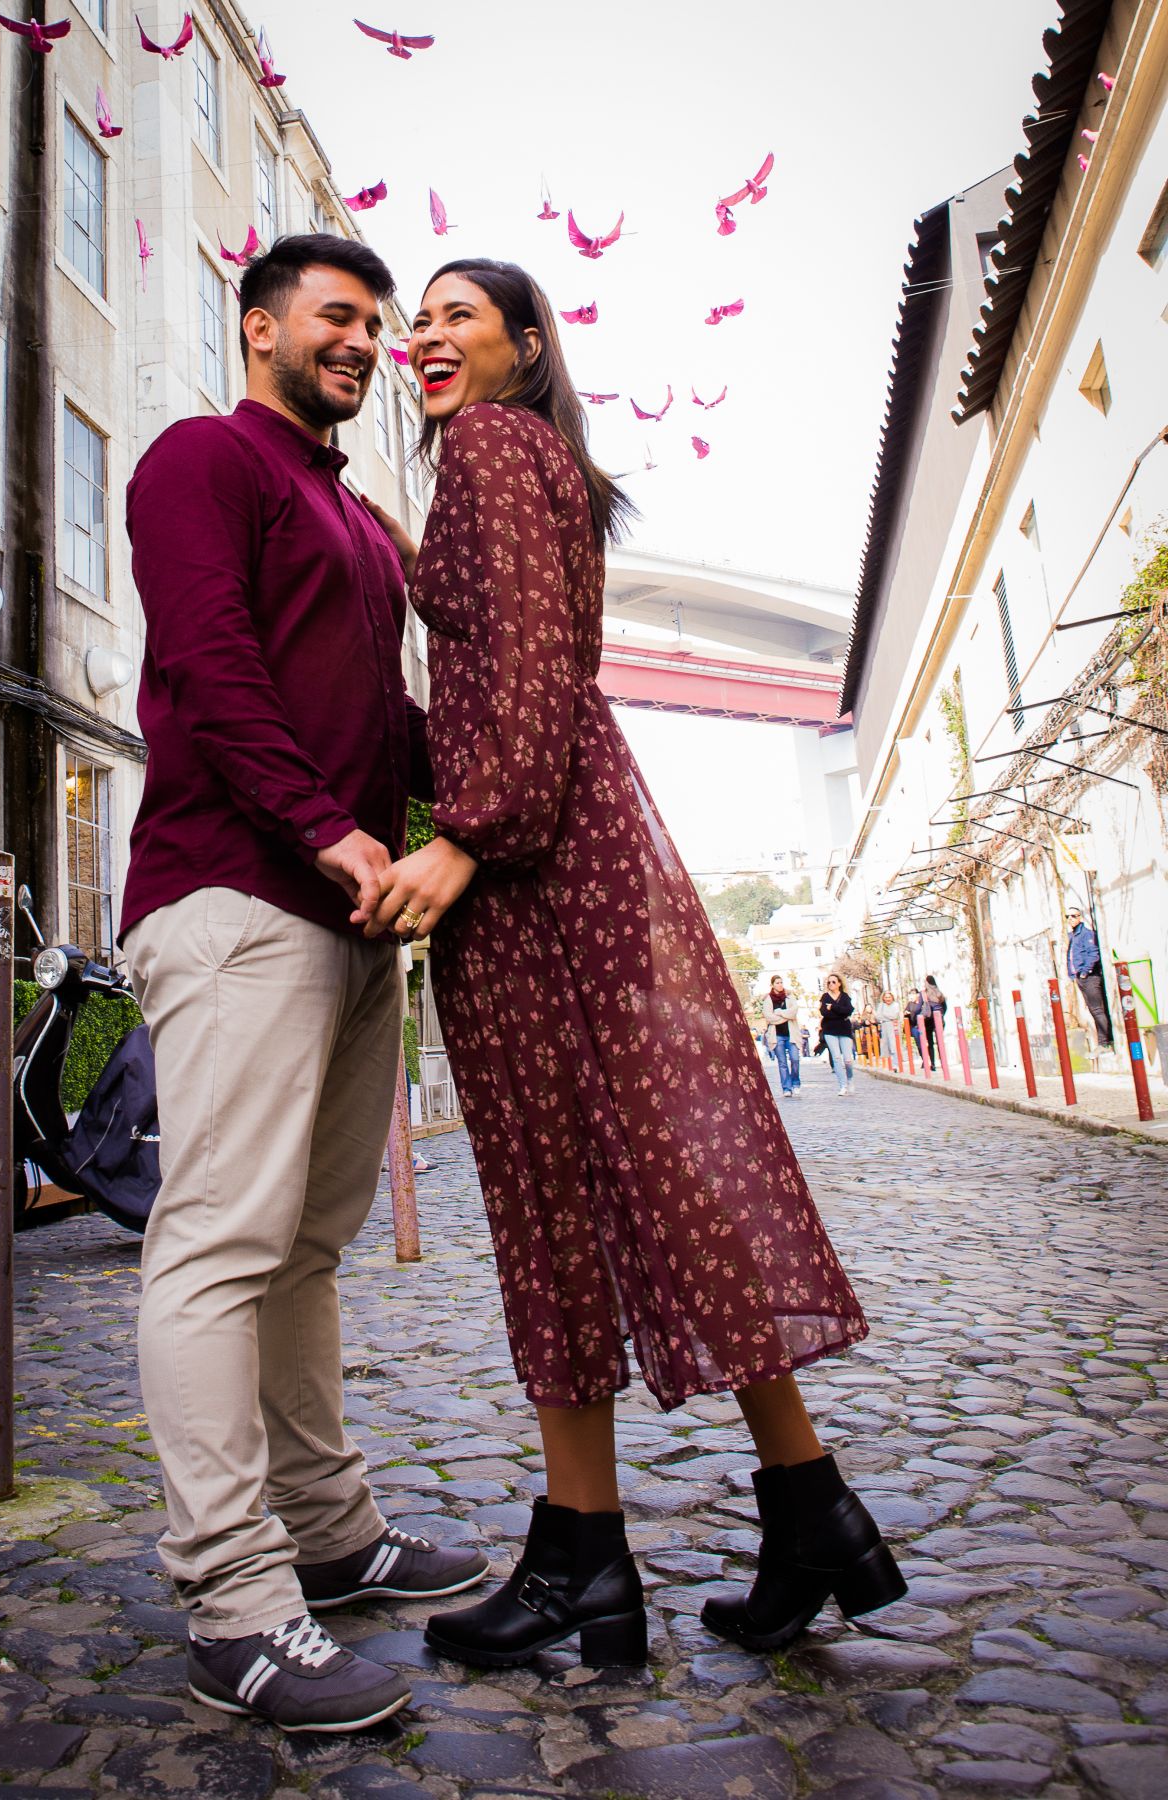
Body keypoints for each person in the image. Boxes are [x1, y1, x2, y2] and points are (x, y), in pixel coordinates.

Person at [361, 259, 905, 1670]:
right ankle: (808, 1507)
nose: (425, 337)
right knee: (656, 1171)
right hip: (575, 844)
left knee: (551, 1191)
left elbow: (532, 668)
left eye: (455, 317)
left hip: (535, 868)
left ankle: (584, 1560)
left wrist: (465, 843)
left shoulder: (486, 446)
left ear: (526, 344)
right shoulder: (538, 461)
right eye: (416, 321)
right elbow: (525, 672)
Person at [120, 236, 488, 1736]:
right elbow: (213, 665)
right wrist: (335, 835)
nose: (361, 342)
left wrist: (479, 812)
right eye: (335, 317)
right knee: (220, 1245)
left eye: (374, 326)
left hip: (348, 921)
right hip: (231, 896)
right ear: (259, 324)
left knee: (310, 1248)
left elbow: (385, 722)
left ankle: (332, 1541)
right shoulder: (202, 460)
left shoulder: (360, 519)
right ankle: (235, 1607)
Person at [1065, 904, 1113, 1049]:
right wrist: (1074, 975)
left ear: (1080, 917)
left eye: (1073, 916)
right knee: (1093, 1010)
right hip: (1080, 977)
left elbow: (1093, 954)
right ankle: (1102, 1041)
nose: (1070, 919)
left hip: (1090, 977)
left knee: (1097, 1009)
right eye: (1067, 916)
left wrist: (1085, 972)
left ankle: (1104, 1042)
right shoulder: (1073, 936)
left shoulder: (1086, 934)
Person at [763, 974, 801, 1098]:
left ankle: (795, 1083)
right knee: (782, 1063)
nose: (780, 985)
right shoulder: (768, 999)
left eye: (781, 982)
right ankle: (786, 1088)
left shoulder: (789, 996)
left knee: (795, 1059)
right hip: (777, 1035)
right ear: (772, 985)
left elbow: (793, 1012)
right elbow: (769, 1017)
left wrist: (780, 1013)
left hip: (791, 1035)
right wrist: (785, 1017)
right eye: (777, 983)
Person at [819, 974, 857, 1095]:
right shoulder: (825, 997)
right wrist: (839, 1012)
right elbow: (824, 1012)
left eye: (833, 982)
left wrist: (833, 1007)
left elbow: (849, 1010)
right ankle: (843, 1085)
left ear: (839, 983)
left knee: (848, 1059)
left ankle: (850, 1079)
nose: (831, 984)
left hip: (844, 1029)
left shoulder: (845, 996)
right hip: (830, 1029)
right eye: (829, 982)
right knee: (836, 1057)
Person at [922, 974, 947, 1072]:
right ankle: (943, 1062)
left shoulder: (924, 994)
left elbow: (920, 1006)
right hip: (939, 1019)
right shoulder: (939, 993)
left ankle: (932, 1064)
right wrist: (940, 1015)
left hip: (928, 1021)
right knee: (940, 1042)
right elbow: (945, 1007)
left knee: (930, 1043)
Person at [878, 991, 902, 1066]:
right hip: (885, 1026)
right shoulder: (881, 1005)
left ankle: (896, 1063)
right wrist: (887, 1017)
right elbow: (878, 1016)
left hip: (893, 1026)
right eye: (886, 997)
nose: (888, 999)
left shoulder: (896, 1005)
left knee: (894, 1044)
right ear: (883, 998)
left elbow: (894, 1015)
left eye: (889, 997)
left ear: (892, 997)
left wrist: (884, 1015)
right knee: (886, 1045)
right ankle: (891, 1063)